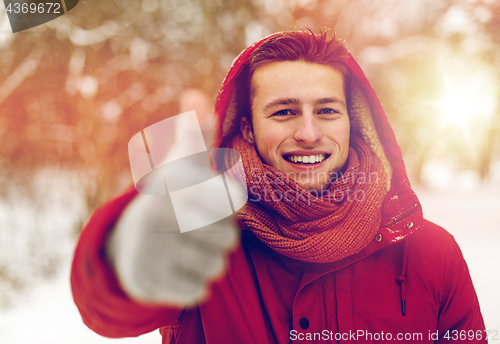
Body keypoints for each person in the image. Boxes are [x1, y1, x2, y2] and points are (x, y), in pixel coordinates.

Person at [71, 29, 487, 343]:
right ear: (248, 130)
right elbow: (106, 311)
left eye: (326, 110)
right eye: (284, 111)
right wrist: (122, 256)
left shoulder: (432, 254)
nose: (308, 132)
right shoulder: (202, 237)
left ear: (351, 122)